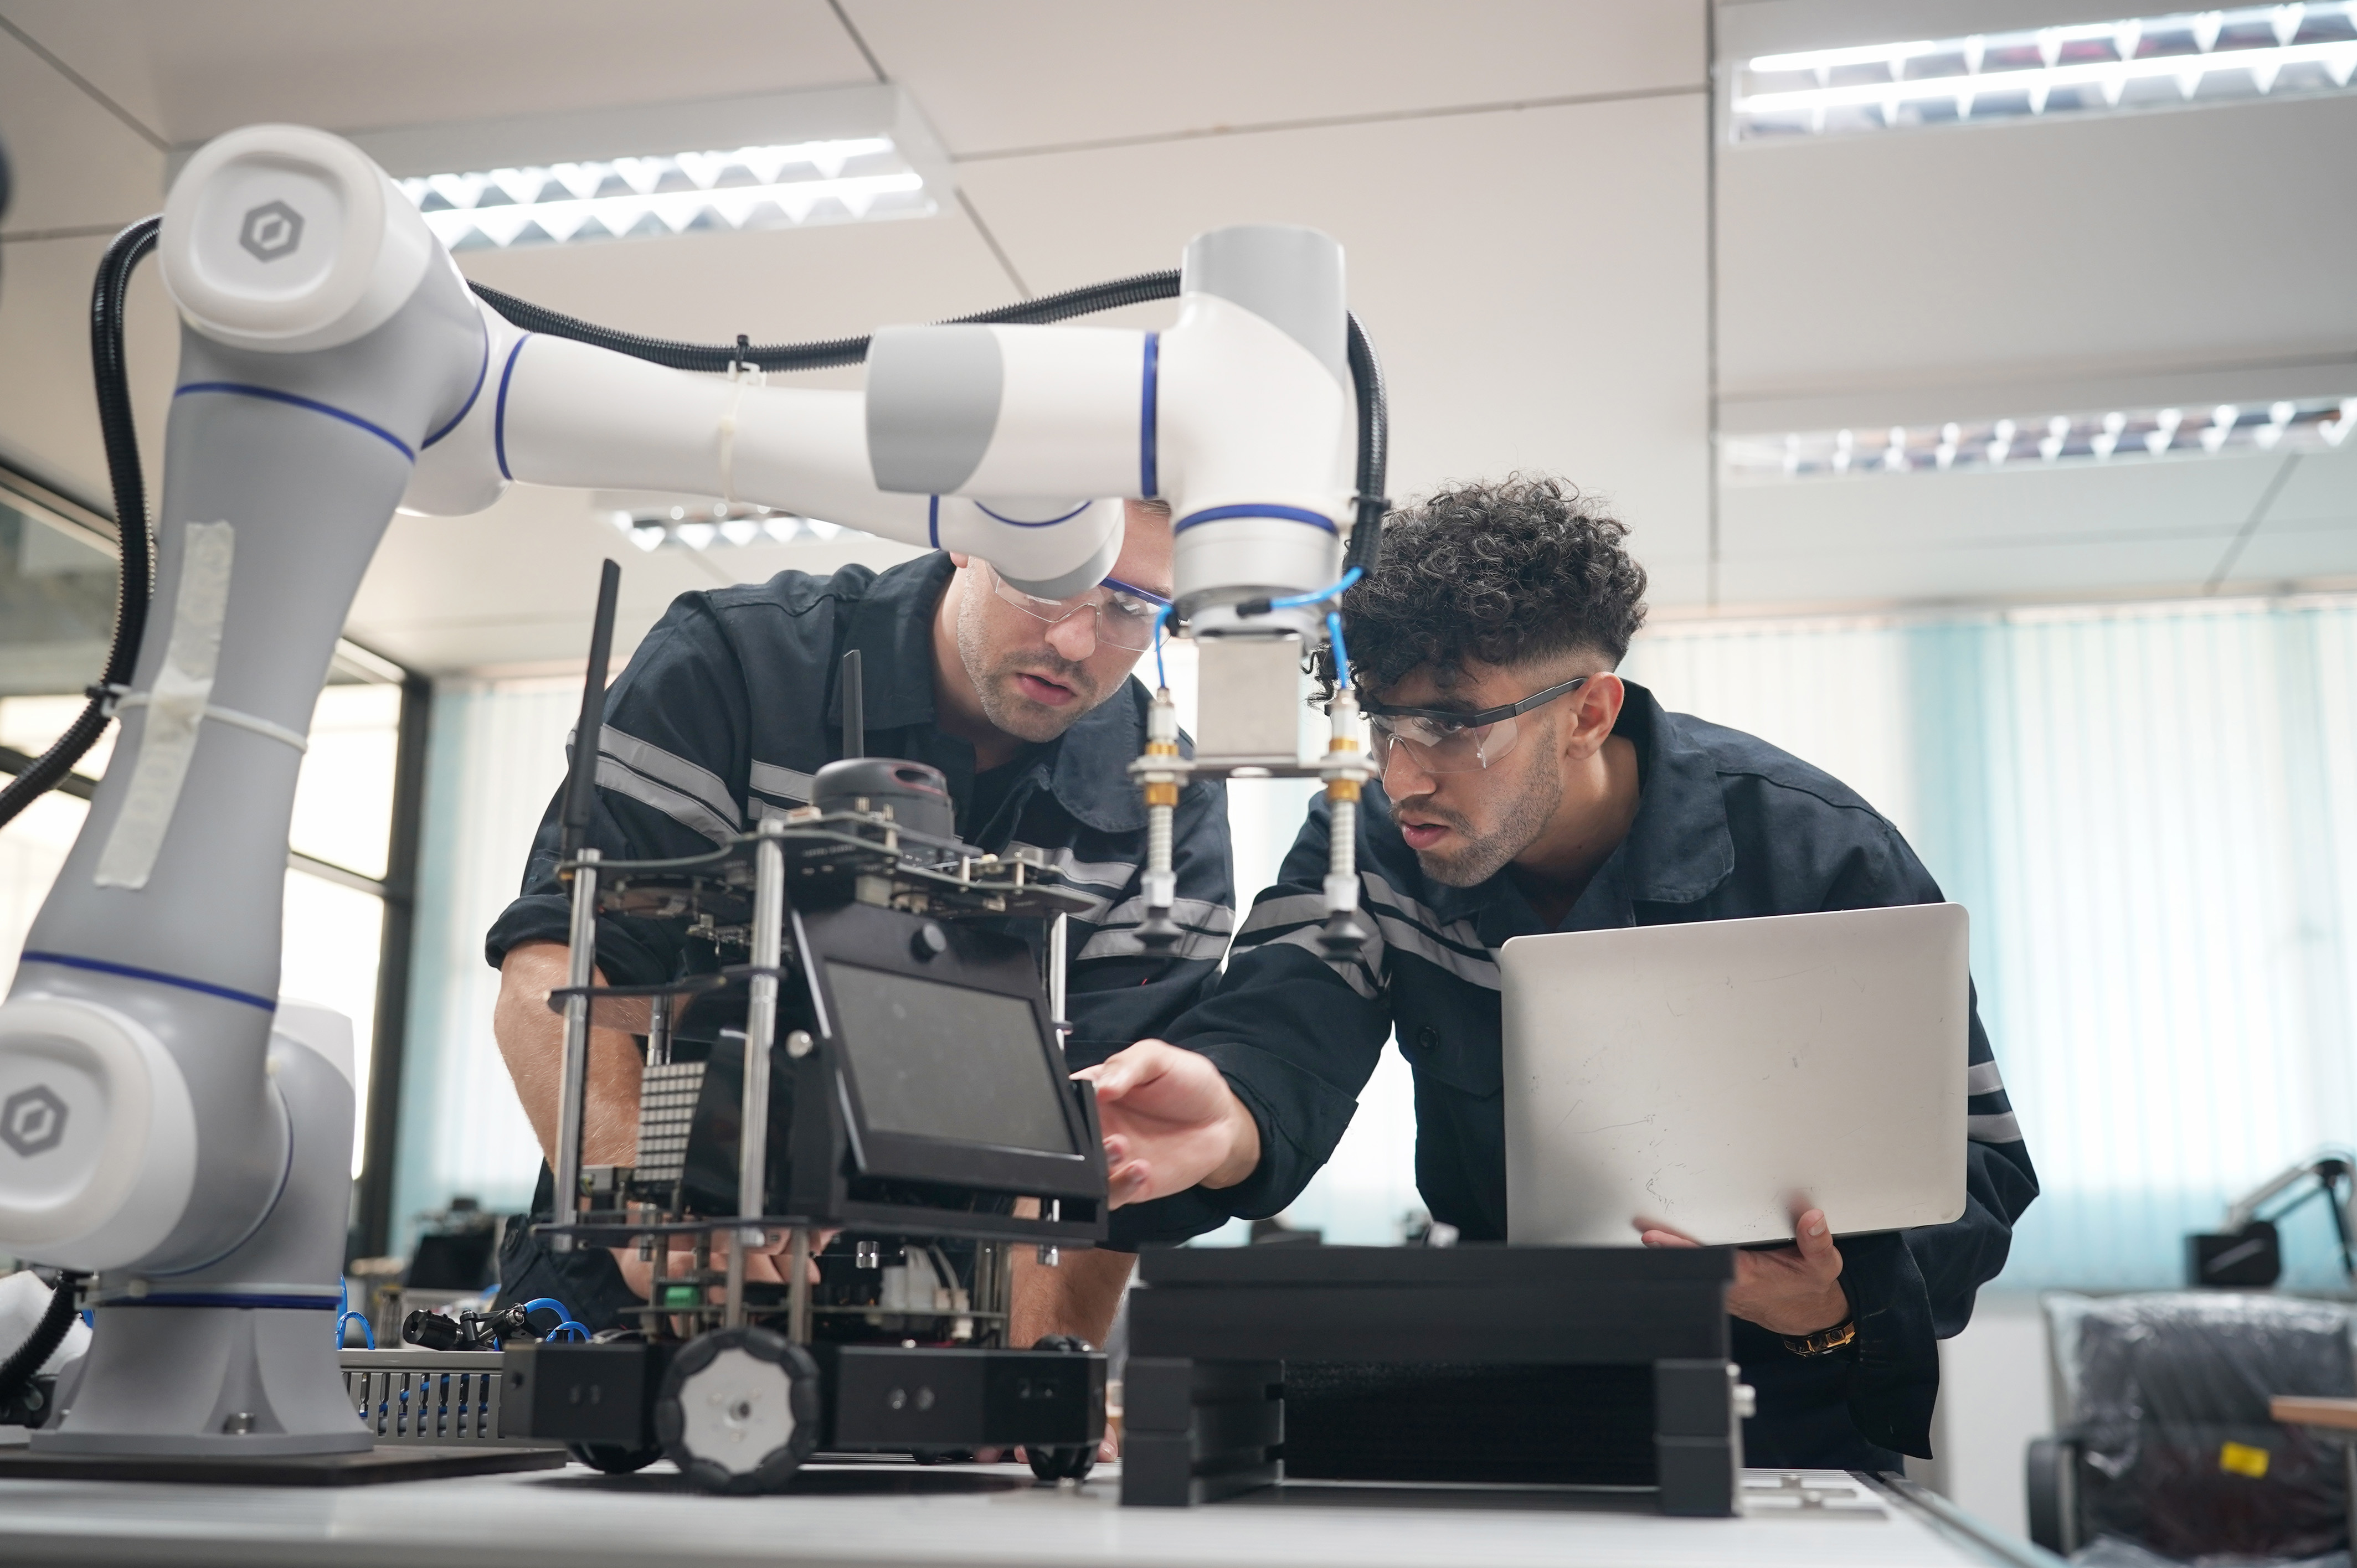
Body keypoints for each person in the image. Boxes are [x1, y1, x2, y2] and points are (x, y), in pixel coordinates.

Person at [1078, 476, 2039, 1469]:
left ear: (1589, 712)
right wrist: (1226, 1109)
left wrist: (1835, 1297)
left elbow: (1977, 1171)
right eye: (1384, 723)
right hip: (1515, 1372)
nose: (1404, 774)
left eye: (1452, 726)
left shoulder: (1817, 854)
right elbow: (1285, 1029)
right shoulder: (1367, 840)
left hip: (1779, 1398)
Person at [485, 499, 1226, 1347]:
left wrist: (1037, 1373)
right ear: (966, 533)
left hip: (950, 1321)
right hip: (628, 1303)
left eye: (1133, 607)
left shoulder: (1170, 804)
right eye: (1048, 582)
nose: (1075, 642)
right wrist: (641, 1215)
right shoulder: (736, 663)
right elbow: (556, 965)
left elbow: (1113, 1129)